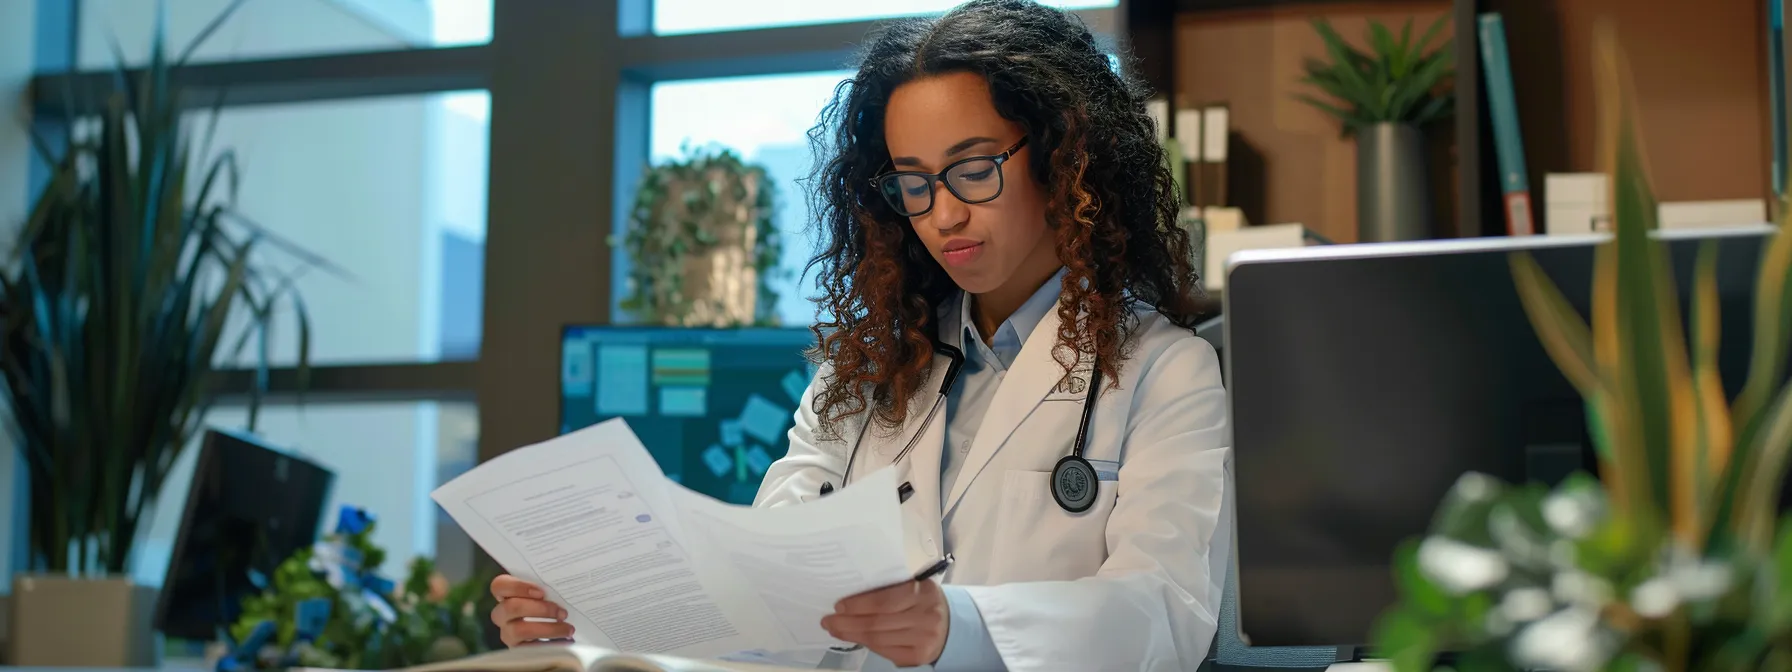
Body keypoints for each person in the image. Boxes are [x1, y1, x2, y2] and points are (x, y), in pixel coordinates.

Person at [488, 0, 1231, 669]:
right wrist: (586, 627)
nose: (943, 215)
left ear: (1065, 158)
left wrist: (958, 627)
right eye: (914, 182)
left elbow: (1166, 612)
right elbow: (761, 608)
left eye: (973, 170)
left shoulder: (1166, 373)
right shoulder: (862, 376)